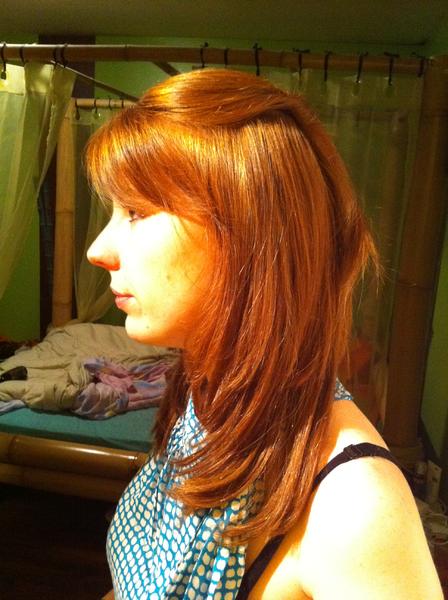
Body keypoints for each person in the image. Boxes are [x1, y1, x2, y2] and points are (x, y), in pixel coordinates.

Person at [86, 69, 442, 599]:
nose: (97, 249)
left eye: (136, 211)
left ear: (248, 231)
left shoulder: (354, 504)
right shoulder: (205, 399)